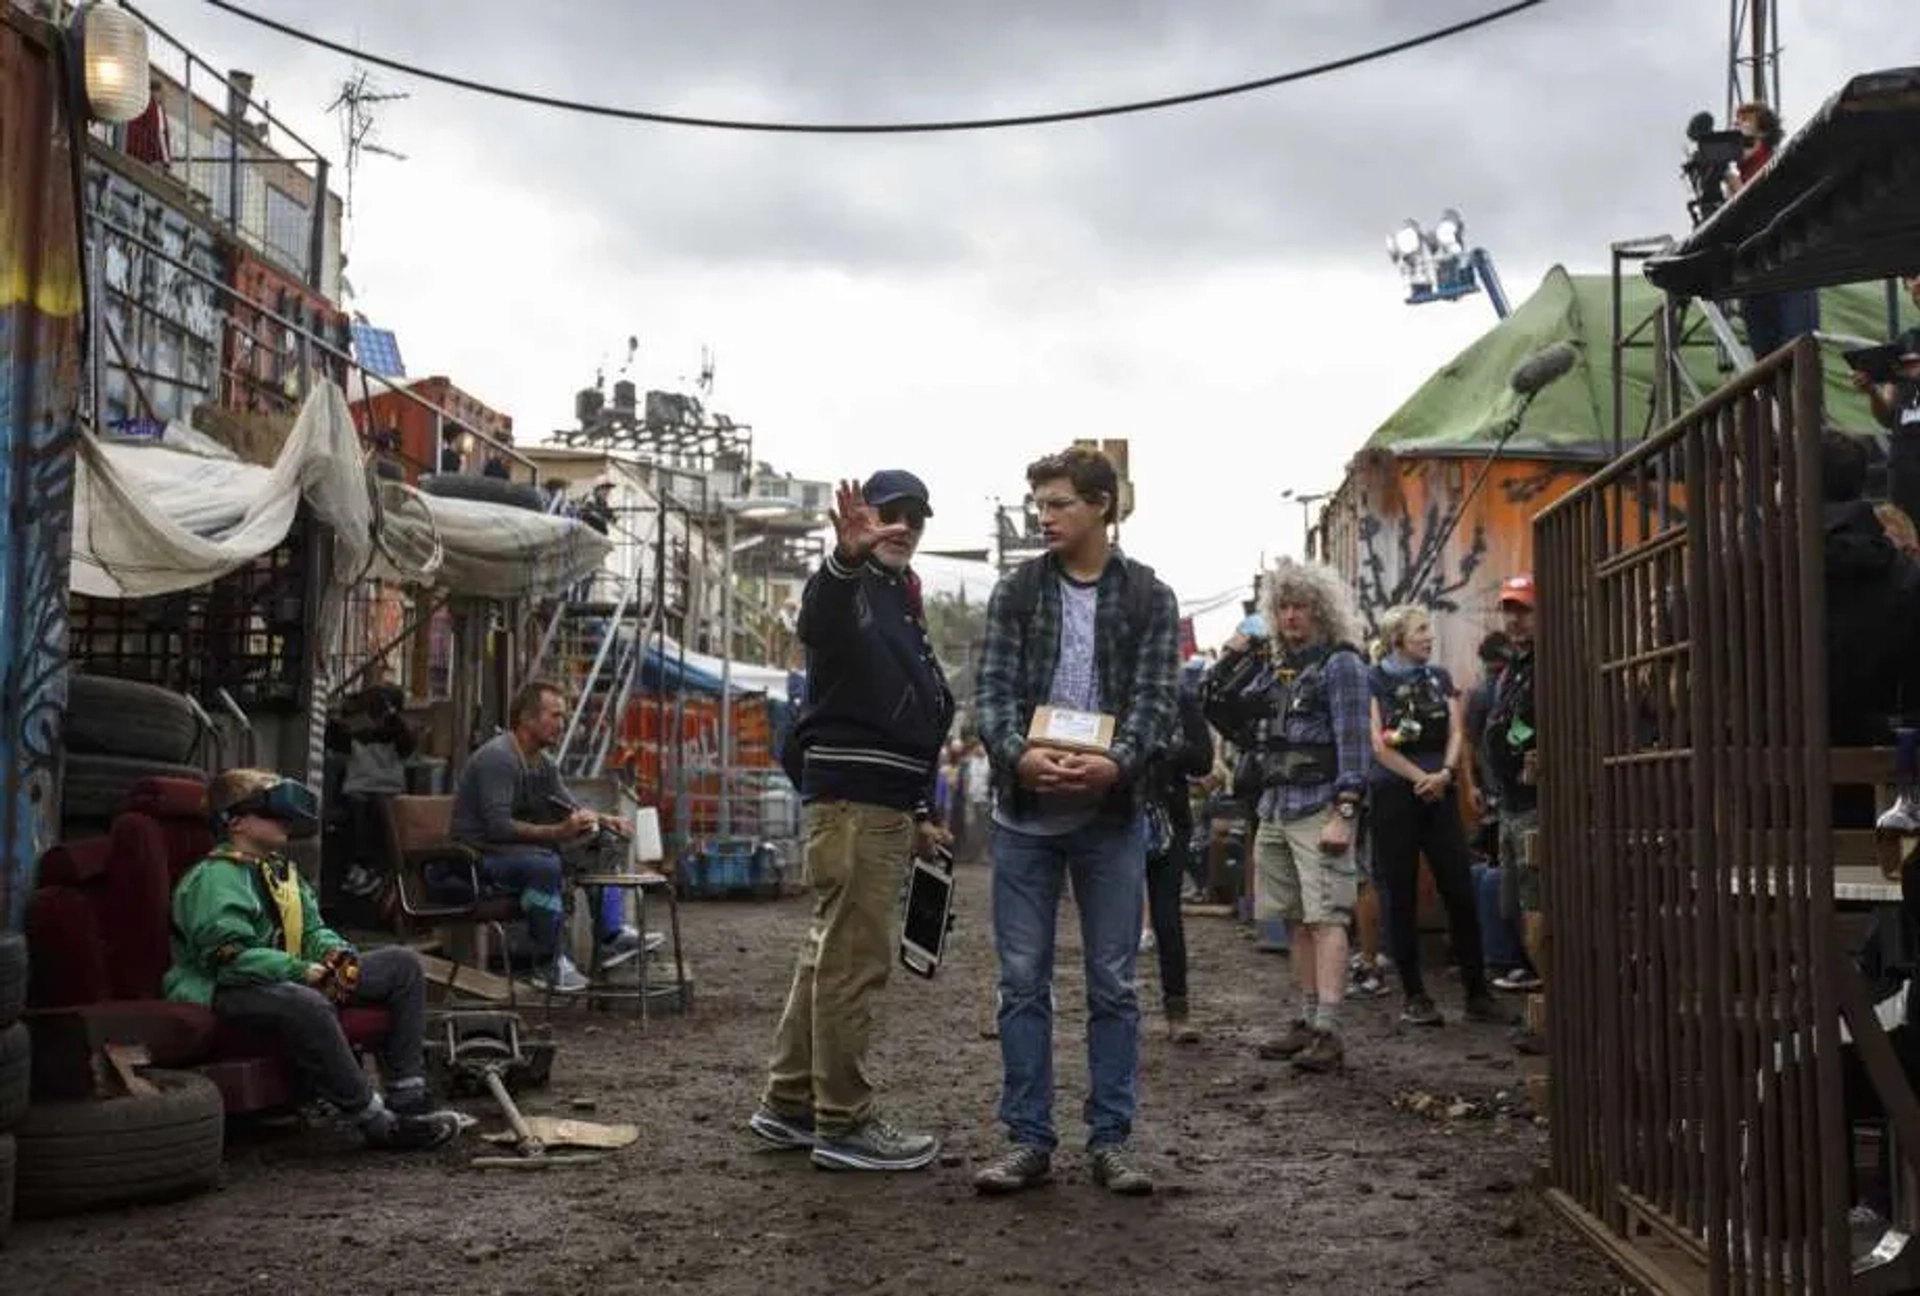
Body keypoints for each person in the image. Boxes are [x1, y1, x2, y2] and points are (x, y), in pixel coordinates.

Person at [971, 445, 1179, 1198]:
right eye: (1040, 505)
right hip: (1026, 815)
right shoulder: (1017, 591)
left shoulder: (1151, 596)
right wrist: (1018, 755)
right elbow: (989, 690)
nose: (1045, 517)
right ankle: (1028, 1139)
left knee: (1113, 983)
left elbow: (1159, 701)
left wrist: (1117, 762)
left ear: (1101, 506)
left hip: (1111, 815)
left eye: (1058, 504)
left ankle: (1111, 1141)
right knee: (1021, 982)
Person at [752, 471, 954, 1173]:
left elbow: (907, 704)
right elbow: (819, 621)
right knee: (850, 962)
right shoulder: (850, 584)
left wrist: (922, 809)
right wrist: (844, 556)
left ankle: (789, 1104)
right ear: (863, 518)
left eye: (915, 518)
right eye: (889, 513)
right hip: (857, 803)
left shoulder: (896, 595)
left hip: (875, 801)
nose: (902, 526)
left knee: (827, 954)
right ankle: (843, 1119)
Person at [164, 769, 461, 1150]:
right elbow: (228, 956)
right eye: (272, 812)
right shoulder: (214, 878)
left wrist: (335, 955)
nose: (284, 820)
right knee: (305, 1001)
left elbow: (312, 930)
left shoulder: (281, 874)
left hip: (290, 976)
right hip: (226, 986)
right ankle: (376, 1121)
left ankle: (408, 1099)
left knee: (402, 966)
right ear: (235, 822)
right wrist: (301, 971)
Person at [1239, 558, 1371, 1073]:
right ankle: (1307, 1019)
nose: (1292, 616)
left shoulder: (1342, 664)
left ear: (1321, 610)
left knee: (1327, 917)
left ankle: (1330, 1028)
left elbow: (1356, 744)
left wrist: (1345, 812)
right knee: (1294, 919)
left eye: (1302, 607)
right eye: (1284, 607)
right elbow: (1230, 711)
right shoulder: (1281, 668)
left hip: (1319, 807)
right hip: (1276, 806)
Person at [450, 682, 650, 994]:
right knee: (544, 865)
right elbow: (497, 828)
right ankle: (548, 962)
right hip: (474, 858)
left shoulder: (543, 765)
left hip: (512, 853)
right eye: (555, 715)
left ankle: (610, 934)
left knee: (600, 842)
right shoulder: (499, 758)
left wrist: (602, 819)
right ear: (527, 719)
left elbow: (569, 806)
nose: (562, 724)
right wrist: (557, 833)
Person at [1366, 605, 1504, 1028]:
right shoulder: (1375, 680)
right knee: (1400, 894)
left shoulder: (1439, 678)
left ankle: (1477, 993)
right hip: (1395, 795)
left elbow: (1457, 731)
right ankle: (1415, 996)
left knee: (1459, 890)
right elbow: (1377, 744)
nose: (1429, 636)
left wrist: (1443, 774)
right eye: (1421, 629)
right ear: (1398, 638)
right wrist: (1419, 777)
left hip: (1439, 795)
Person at [1482, 574, 1546, 1053]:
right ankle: (1542, 1006)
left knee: (1537, 905)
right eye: (1510, 609)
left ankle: (1553, 1013)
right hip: (1509, 802)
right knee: (1517, 906)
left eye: (1523, 609)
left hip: (1536, 806)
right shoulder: (1513, 668)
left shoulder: (1555, 663)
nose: (1515, 619)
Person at [1141, 659, 1213, 1044]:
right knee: (1111, 922)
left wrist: (1160, 752)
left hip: (1169, 816)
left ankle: (1177, 1010)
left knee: (1167, 916)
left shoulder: (1179, 697)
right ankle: (1114, 1012)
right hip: (1116, 815)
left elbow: (1202, 757)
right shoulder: (1109, 691)